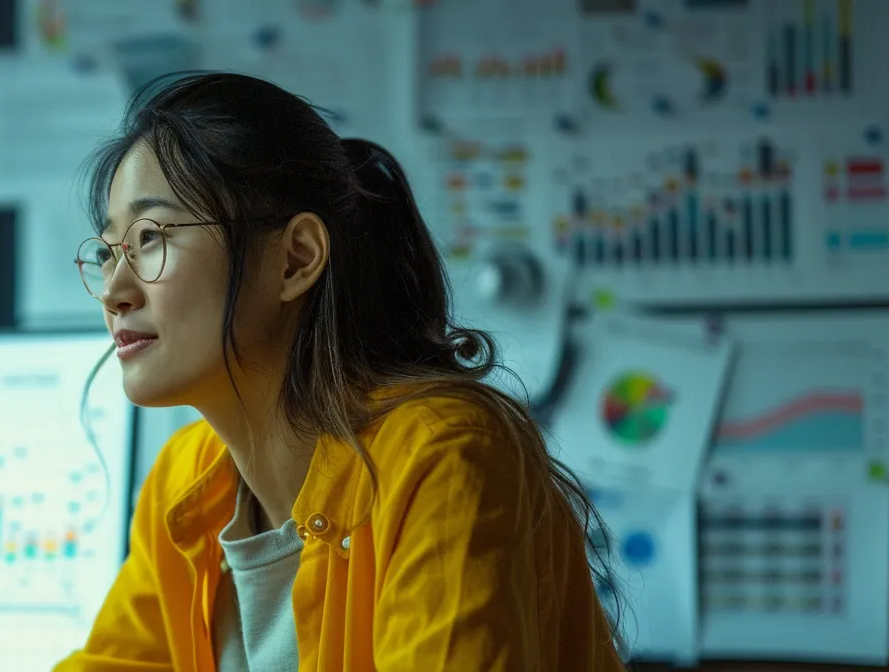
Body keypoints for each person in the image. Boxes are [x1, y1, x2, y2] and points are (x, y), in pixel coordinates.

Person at [54, 72, 625, 671]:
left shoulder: (441, 454)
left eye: (149, 239)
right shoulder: (186, 480)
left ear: (295, 259)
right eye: (107, 252)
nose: (114, 292)